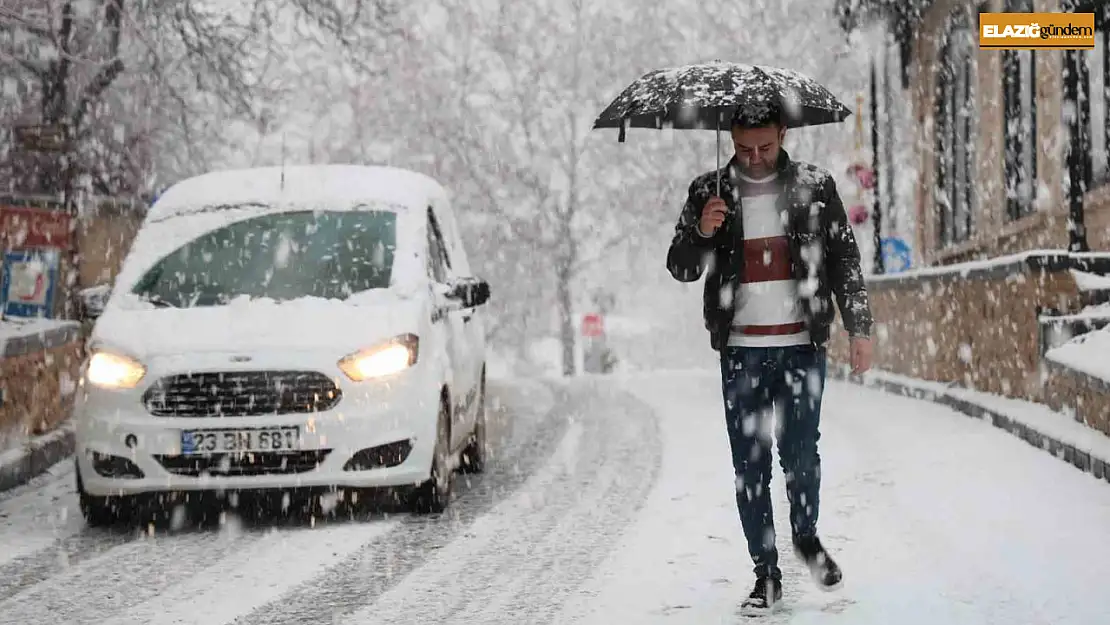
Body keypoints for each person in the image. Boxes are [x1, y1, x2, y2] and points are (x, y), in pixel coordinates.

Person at [665, 102, 874, 615]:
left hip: (802, 346)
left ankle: (805, 536)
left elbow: (844, 256)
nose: (754, 158)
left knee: (801, 456)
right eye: (742, 148)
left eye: (765, 146)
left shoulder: (814, 185)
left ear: (783, 133)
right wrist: (701, 232)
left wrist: (859, 326)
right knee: (750, 465)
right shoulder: (707, 192)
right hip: (741, 352)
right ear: (730, 139)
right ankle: (767, 574)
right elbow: (680, 266)